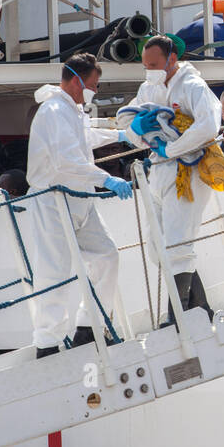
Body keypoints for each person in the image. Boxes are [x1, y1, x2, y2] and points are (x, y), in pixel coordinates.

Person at [25, 53, 131, 358]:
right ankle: (47, 344)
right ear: (76, 80)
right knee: (54, 271)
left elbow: (85, 137)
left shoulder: (72, 110)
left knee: (107, 256)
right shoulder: (54, 111)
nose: (95, 92)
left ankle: (90, 325)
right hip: (54, 200)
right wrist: (106, 179)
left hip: (80, 200)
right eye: (93, 85)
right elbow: (66, 160)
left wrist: (125, 135)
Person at [121, 35, 224, 323]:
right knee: (159, 250)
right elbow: (126, 124)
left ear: (172, 59)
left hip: (188, 171)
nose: (150, 70)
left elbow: (209, 125)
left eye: (154, 64)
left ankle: (177, 317)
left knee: (179, 245)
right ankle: (199, 308)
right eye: (145, 65)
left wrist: (171, 148)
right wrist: (137, 130)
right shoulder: (148, 88)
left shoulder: (193, 86)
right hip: (157, 172)